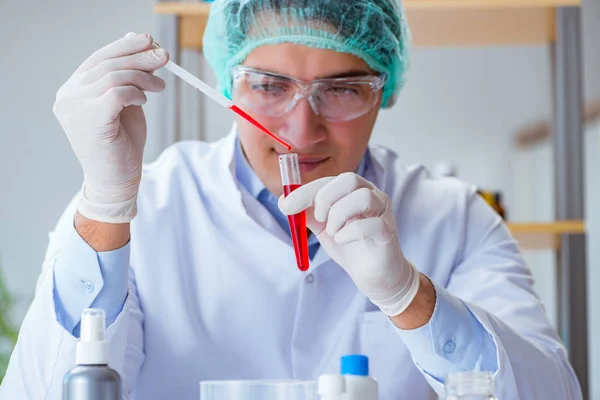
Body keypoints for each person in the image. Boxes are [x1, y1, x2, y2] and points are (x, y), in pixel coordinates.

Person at [0, 0, 583, 399]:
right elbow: (46, 391)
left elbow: (550, 392)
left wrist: (411, 298)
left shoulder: (456, 220)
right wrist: (105, 205)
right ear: (229, 82)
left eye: (344, 89)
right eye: (271, 85)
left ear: (386, 90)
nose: (302, 132)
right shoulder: (144, 209)